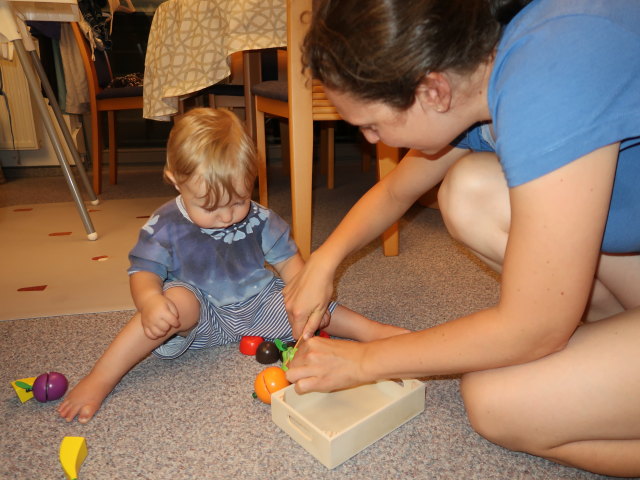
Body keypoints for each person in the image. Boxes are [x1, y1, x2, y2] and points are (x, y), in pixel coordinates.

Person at [282, 0, 640, 476]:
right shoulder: (482, 64)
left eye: (371, 124)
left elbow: (533, 328)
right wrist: (324, 260)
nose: (371, 140)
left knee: (495, 402)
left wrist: (366, 360)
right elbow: (394, 190)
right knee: (470, 189)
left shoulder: (550, 77)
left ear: (433, 90)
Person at [58, 108, 407, 424]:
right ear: (176, 180)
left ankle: (369, 331)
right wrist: (150, 300)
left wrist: (305, 300)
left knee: (316, 307)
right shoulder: (164, 223)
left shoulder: (261, 218)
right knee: (173, 305)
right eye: (210, 207)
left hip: (256, 303)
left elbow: (290, 264)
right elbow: (143, 270)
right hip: (199, 312)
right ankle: (100, 378)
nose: (226, 216)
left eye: (239, 202)